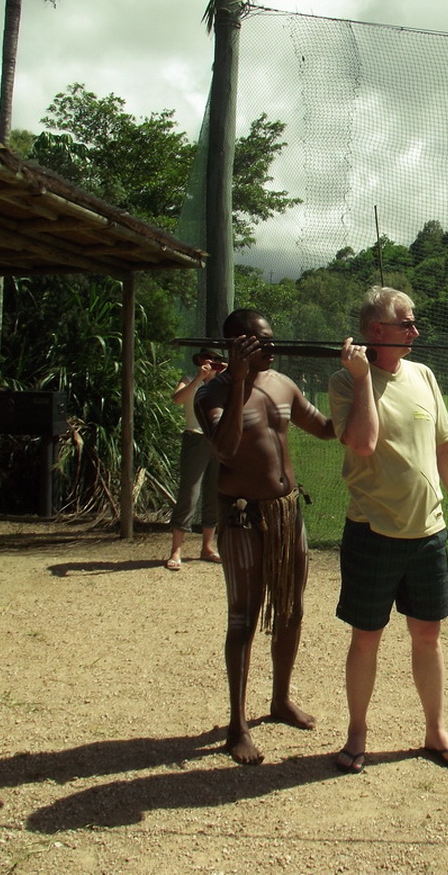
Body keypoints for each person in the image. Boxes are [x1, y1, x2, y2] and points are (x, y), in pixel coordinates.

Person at [329, 286, 448, 774]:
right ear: (376, 331)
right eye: (407, 323)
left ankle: (435, 731)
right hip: (373, 532)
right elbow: (364, 444)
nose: (416, 331)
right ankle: (357, 734)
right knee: (367, 637)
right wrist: (363, 377)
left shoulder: (424, 374)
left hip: (428, 533)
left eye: (414, 322)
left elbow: (445, 446)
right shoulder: (345, 382)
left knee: (427, 635)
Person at [194, 309, 337, 765]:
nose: (272, 349)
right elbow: (227, 449)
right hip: (241, 518)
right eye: (261, 342)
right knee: (243, 619)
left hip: (287, 513)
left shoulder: (283, 385)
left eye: (272, 341)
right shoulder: (212, 394)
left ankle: (279, 700)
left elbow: (326, 429)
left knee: (292, 609)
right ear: (238, 345)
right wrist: (236, 381)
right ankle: (237, 725)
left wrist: (361, 379)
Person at [166, 349, 225, 571]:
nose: (213, 364)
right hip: (195, 438)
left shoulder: (224, 383)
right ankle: (176, 550)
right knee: (190, 493)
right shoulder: (189, 379)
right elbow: (177, 399)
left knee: (214, 493)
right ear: (200, 360)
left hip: (217, 440)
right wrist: (200, 378)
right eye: (209, 359)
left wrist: (231, 376)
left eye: (218, 360)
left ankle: (207, 547)